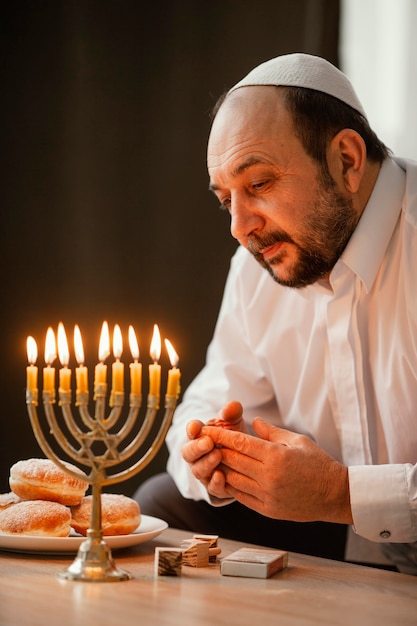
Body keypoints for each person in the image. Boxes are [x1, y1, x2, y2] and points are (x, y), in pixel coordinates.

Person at [135, 53, 417, 574]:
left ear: (347, 161)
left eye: (259, 184)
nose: (240, 227)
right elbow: (210, 398)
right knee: (161, 502)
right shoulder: (256, 265)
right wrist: (211, 454)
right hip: (340, 535)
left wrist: (342, 495)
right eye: (226, 200)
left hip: (358, 521)